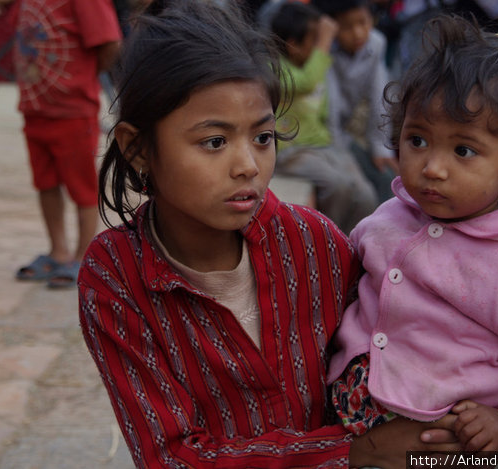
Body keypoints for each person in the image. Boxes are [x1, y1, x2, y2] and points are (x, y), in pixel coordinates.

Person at [78, 1, 464, 467]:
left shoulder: (316, 244)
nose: (248, 166)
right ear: (137, 149)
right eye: (214, 142)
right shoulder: (117, 277)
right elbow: (173, 456)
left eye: (262, 138)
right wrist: (360, 451)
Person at [328, 14, 498, 454]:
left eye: (463, 150)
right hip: (349, 430)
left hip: (439, 446)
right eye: (417, 140)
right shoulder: (388, 218)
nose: (432, 167)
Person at [13, 0, 121, 288]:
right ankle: (57, 251)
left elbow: (110, 42)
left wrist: (81, 78)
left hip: (73, 111)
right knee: (44, 182)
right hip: (34, 108)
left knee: (81, 184)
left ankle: (83, 255)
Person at [270, 1, 379, 234]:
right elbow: (306, 82)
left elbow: (325, 112)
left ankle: (355, 243)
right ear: (292, 45)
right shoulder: (275, 68)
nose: (321, 47)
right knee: (337, 186)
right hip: (293, 150)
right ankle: (329, 238)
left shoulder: (315, 66)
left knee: (365, 193)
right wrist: (325, 41)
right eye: (314, 40)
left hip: (324, 147)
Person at [314, 0, 398, 203]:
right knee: (358, 193)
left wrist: (380, 147)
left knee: (389, 179)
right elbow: (330, 105)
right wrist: (339, 156)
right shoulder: (323, 50)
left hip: (345, 133)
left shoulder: (376, 43)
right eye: (347, 27)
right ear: (331, 27)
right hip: (323, 137)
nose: (359, 33)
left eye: (363, 22)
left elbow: (380, 96)